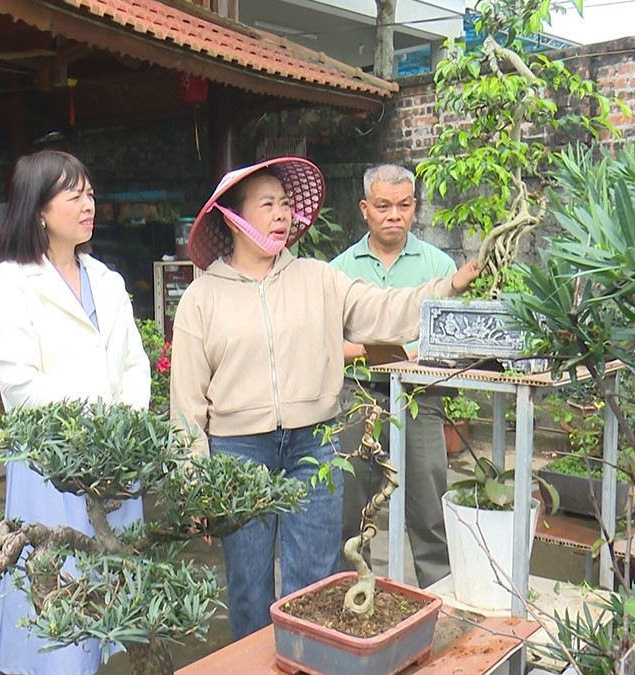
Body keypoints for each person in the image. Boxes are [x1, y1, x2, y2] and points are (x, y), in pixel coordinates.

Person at [169, 157, 479, 640]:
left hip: (313, 445)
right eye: (267, 204)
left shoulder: (318, 278)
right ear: (233, 217)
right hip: (237, 453)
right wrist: (193, 479)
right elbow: (187, 403)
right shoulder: (201, 298)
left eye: (285, 204)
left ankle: (309, 663)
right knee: (249, 586)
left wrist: (449, 285)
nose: (281, 214)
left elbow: (381, 310)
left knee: (314, 582)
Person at [0, 150, 151, 675]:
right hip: (53, 470)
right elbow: (21, 382)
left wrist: (124, 438)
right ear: (38, 209)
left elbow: (134, 365)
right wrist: (90, 441)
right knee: (55, 604)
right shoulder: (6, 283)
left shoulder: (109, 280)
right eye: (73, 194)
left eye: (91, 193)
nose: (88, 204)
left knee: (113, 606)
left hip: (117, 466)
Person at [331, 163, 457, 588]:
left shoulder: (439, 266)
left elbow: (449, 338)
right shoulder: (339, 269)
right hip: (358, 396)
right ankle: (351, 594)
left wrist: (418, 355)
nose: (394, 215)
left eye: (404, 205)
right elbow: (326, 341)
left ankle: (440, 595)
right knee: (350, 510)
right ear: (365, 208)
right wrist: (376, 354)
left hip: (420, 396)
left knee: (428, 508)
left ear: (414, 207)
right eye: (383, 206)